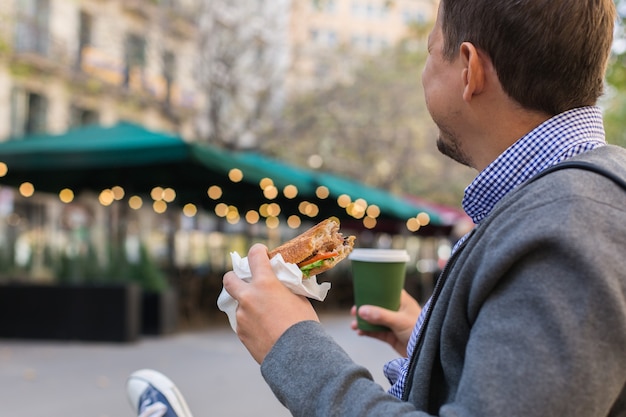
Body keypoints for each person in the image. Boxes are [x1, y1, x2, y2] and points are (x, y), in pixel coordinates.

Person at [129, 0, 626, 415]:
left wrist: (292, 345)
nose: (424, 72)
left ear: (470, 69)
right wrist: (432, 347)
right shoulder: (567, 207)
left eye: (432, 53)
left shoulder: (569, 226)